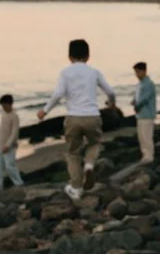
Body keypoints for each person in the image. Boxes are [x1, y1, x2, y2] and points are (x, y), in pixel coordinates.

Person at [36, 38, 116, 200]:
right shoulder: (94, 72)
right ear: (88, 56)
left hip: (73, 118)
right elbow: (110, 91)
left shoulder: (65, 72)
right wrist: (111, 103)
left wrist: (45, 111)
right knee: (94, 144)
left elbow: (58, 94)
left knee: (73, 153)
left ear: (69, 56)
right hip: (92, 116)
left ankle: (76, 188)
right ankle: (89, 165)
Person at [0, 94, 23, 194]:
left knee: (10, 166)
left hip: (9, 147)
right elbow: (3, 129)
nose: (3, 107)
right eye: (2, 105)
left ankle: (19, 184)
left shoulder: (14, 116)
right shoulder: (3, 114)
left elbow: (14, 132)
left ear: (10, 104)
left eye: (4, 105)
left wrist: (8, 145)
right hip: (1, 145)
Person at [132, 61, 157, 163]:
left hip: (147, 113)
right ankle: (145, 155)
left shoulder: (149, 84)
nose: (137, 74)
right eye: (136, 72)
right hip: (140, 114)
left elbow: (145, 98)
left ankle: (149, 156)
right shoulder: (139, 84)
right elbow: (138, 96)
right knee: (141, 136)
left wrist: (137, 105)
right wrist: (134, 101)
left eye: (138, 72)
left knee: (147, 136)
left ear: (144, 71)